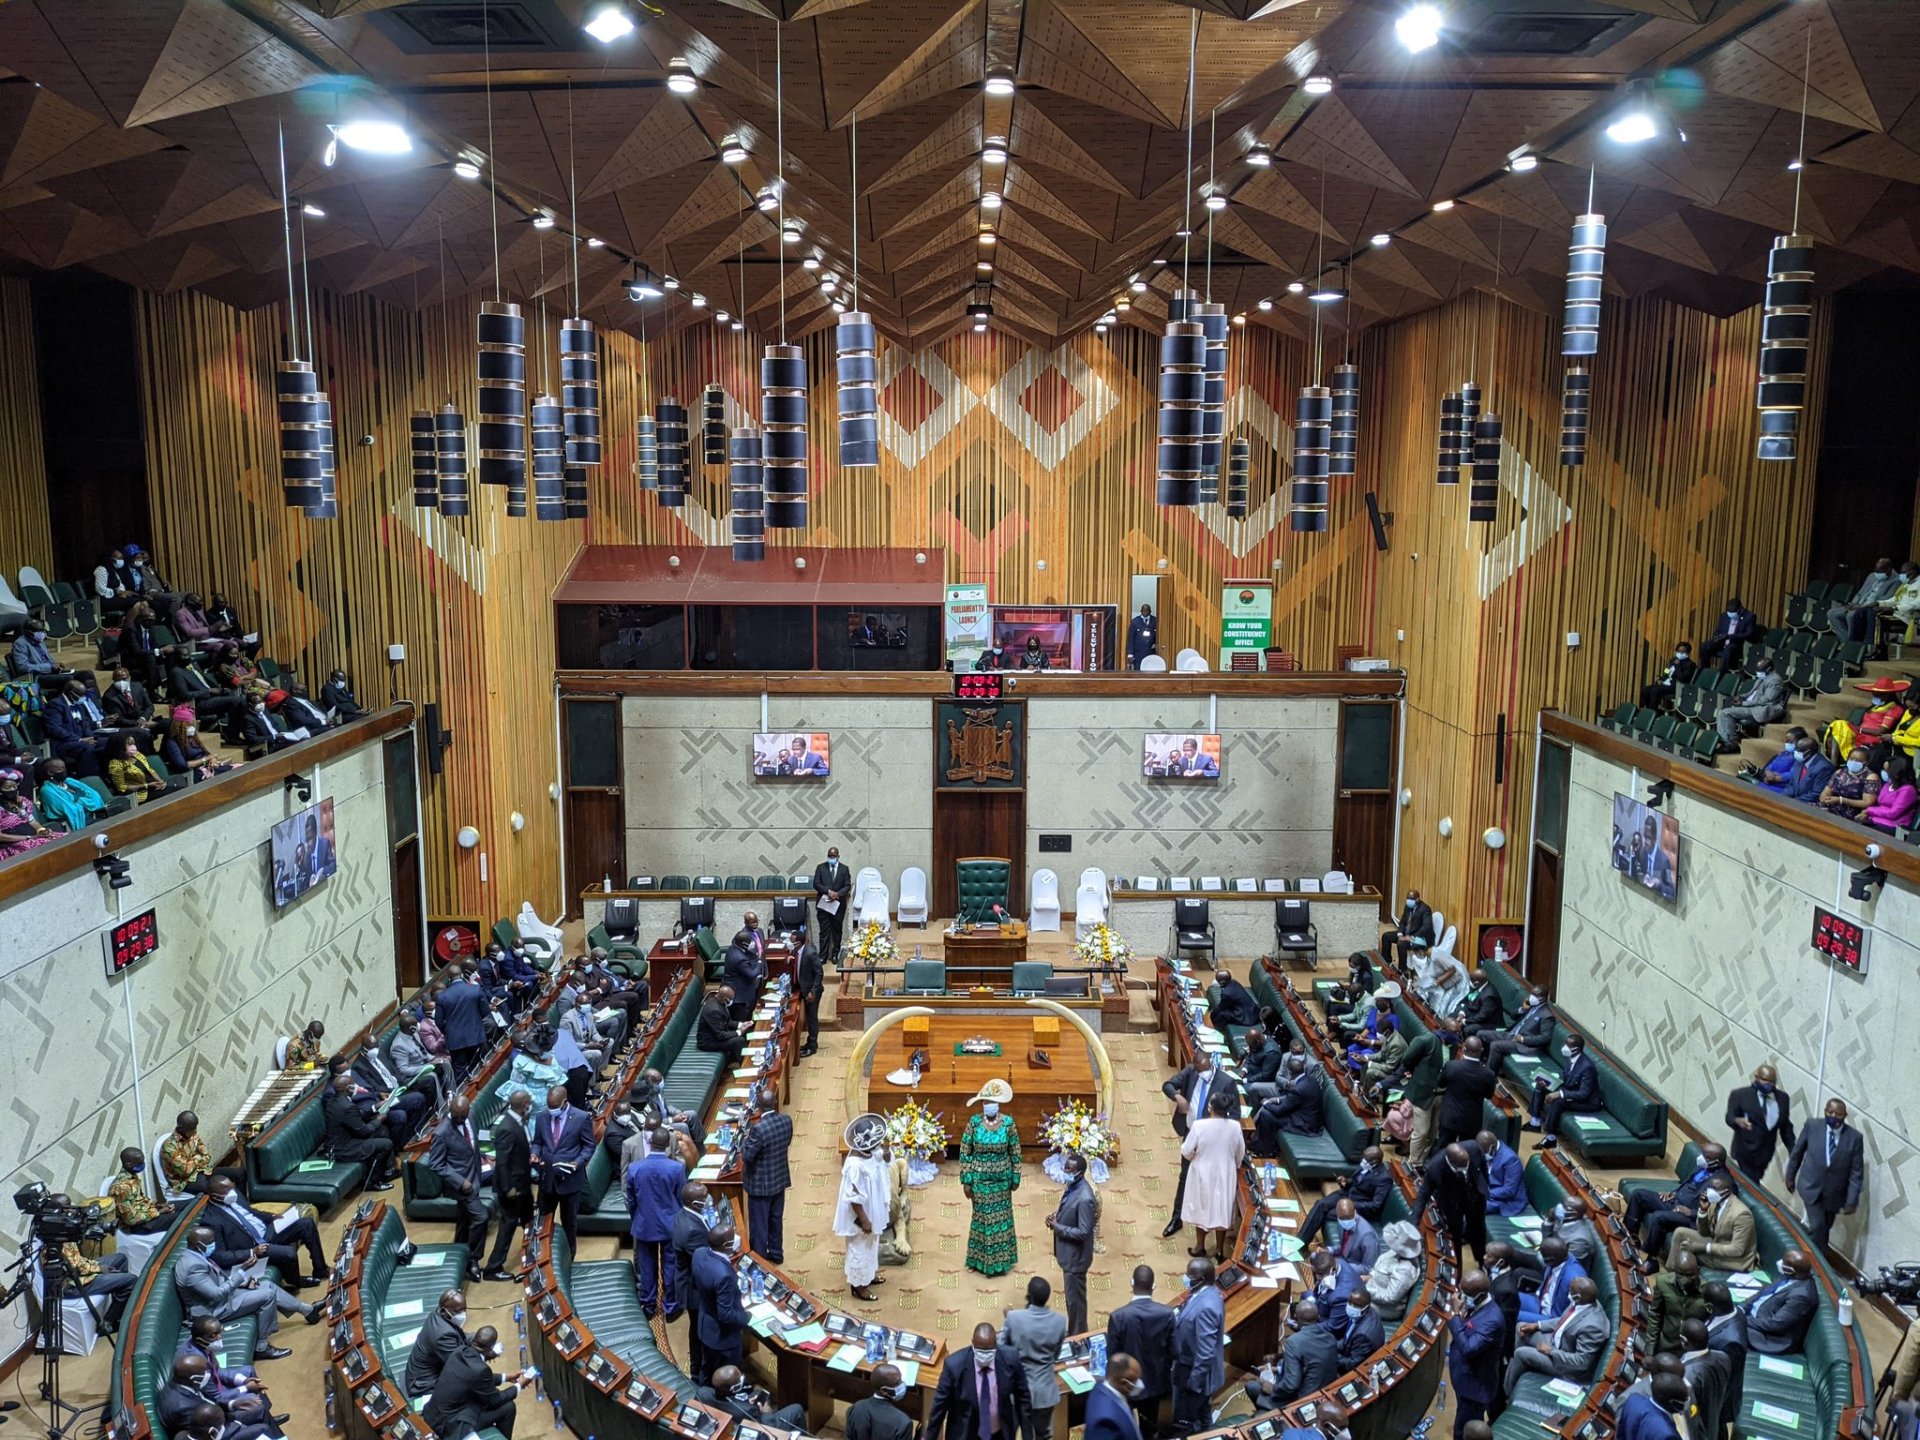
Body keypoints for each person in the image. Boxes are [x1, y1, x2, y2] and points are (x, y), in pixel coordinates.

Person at [174, 1224, 318, 1360]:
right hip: (212, 1311)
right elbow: (217, 1294)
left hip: (219, 1300)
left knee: (267, 1285)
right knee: (268, 1296)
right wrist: (242, 1270)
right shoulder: (192, 1267)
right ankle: (261, 1347)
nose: (214, 1244)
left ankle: (307, 1310)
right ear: (199, 1244)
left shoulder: (195, 1255)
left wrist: (243, 1282)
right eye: (211, 1242)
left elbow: (217, 1279)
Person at [1161, 1050, 1240, 1234]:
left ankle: (1212, 1222)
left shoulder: (1226, 1082)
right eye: (1198, 1070)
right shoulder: (1191, 1071)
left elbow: (1235, 1114)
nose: (1201, 1073)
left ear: (1210, 1064)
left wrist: (1217, 1129)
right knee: (1185, 1177)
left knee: (1212, 1183)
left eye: (1204, 1070)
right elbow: (1168, 1085)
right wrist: (1178, 1097)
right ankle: (1177, 1218)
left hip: (1212, 1142)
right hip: (1191, 1133)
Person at [202, 1175, 327, 1287]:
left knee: (306, 1224)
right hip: (255, 1246)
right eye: (227, 1191)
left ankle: (321, 1270)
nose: (232, 1193)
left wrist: (271, 1217)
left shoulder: (234, 1196)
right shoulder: (211, 1220)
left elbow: (250, 1212)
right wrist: (251, 1251)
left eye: (232, 1188)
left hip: (267, 1231)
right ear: (215, 1196)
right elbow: (220, 1256)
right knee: (289, 1253)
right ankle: (295, 1282)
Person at [925, 1321, 1033, 1440]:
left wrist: (1027, 1436)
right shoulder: (954, 1366)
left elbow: (1023, 1398)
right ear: (972, 1343)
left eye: (989, 1351)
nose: (985, 1355)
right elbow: (939, 1406)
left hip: (1000, 1433)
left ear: (996, 1344)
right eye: (981, 1351)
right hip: (965, 1434)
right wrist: (929, 1437)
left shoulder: (1011, 1359)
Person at [1502, 1276, 1606, 1395]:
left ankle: (1508, 1393)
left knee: (1520, 1353)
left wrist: (1551, 1351)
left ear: (1578, 1296)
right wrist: (1537, 1325)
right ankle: (1517, 1369)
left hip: (1565, 1366)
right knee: (1521, 1327)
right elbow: (1564, 1320)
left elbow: (1581, 1362)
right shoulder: (1582, 1301)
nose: (1568, 1292)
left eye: (1570, 1290)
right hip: (1557, 1341)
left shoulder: (1593, 1326)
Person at [424, 1325, 533, 1439]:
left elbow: (475, 1380)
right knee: (508, 1408)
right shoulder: (480, 1369)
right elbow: (495, 1400)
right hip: (449, 1426)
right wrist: (519, 1386)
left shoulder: (460, 1351)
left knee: (485, 1400)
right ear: (491, 1348)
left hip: (434, 1416)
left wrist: (506, 1377)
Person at [175, 1318, 281, 1432]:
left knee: (248, 1371)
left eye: (219, 1332)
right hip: (209, 1399)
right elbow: (216, 1397)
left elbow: (217, 1371)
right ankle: (262, 1415)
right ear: (200, 1340)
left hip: (214, 1384)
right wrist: (246, 1388)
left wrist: (243, 1381)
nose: (219, 1337)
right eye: (213, 1335)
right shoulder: (197, 1365)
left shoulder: (202, 1343)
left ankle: (267, 1416)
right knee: (250, 1396)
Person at [1105, 1266, 1174, 1440]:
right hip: (1155, 1384)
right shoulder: (1167, 1314)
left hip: (1125, 1385)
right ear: (1154, 1286)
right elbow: (1174, 1350)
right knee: (1149, 1429)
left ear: (1131, 1283)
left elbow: (1112, 1356)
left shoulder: (1118, 1316)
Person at [1784, 1097, 1864, 1248]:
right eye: (1830, 1112)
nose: (1833, 1116)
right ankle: (1808, 1256)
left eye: (1838, 1114)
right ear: (1825, 1111)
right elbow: (1797, 1152)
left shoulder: (1855, 1138)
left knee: (1825, 1228)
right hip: (1810, 1186)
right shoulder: (1812, 1126)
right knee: (1817, 1226)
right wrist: (1790, 1176)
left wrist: (1852, 1200)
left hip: (1834, 1194)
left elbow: (1856, 1172)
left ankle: (1818, 1254)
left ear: (1845, 1115)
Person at [622, 1126, 685, 1316]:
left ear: (650, 1143)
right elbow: (681, 1198)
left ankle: (649, 1306)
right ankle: (671, 1306)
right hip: (670, 1225)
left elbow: (631, 1199)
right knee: (671, 1266)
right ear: (667, 1145)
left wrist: (637, 1217)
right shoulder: (677, 1168)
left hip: (644, 1224)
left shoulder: (634, 1168)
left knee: (647, 1267)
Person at [961, 1079, 1022, 1276]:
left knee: (1001, 1220)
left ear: (999, 1103)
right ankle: (977, 1261)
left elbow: (1015, 1151)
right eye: (986, 1102)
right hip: (979, 1181)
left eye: (992, 1102)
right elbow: (965, 1151)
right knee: (981, 1219)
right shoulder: (974, 1123)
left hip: (1002, 1182)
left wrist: (1016, 1175)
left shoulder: (1008, 1124)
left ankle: (1001, 1262)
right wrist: (966, 1180)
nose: (989, 1105)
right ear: (982, 1104)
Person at [425, 1097, 490, 1283]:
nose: (460, 1119)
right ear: (450, 1111)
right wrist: (460, 1182)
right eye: (456, 1116)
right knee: (481, 1217)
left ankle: (458, 1251)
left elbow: (472, 1143)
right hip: (462, 1184)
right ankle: (472, 1259)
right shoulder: (441, 1132)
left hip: (476, 1172)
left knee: (464, 1218)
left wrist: (483, 1156)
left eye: (463, 1116)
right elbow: (436, 1164)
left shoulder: (471, 1115)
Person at [1625, 1143, 1728, 1258]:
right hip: (1674, 1201)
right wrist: (1674, 1193)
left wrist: (1690, 1212)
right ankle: (1630, 1238)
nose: (1701, 1158)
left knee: (1659, 1217)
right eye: (1702, 1154)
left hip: (1690, 1216)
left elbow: (1717, 1213)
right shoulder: (1703, 1167)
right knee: (1638, 1195)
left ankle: (1649, 1257)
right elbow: (1688, 1184)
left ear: (1716, 1162)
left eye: (1706, 1157)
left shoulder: (1723, 1183)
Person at [1181, 1089, 1244, 1262]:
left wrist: (1194, 1157)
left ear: (1211, 1108)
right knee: (1221, 1209)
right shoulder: (1235, 1127)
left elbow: (1186, 1150)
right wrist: (1234, 1166)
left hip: (1202, 1172)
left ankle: (1200, 1246)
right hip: (1225, 1173)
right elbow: (1240, 1152)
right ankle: (1219, 1250)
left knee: (1201, 1208)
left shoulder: (1199, 1126)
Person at [1001, 1278, 1068, 1440]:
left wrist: (1006, 1321)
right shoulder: (1060, 1321)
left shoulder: (1013, 1318)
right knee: (1043, 1435)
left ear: (1028, 1296)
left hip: (1017, 1392)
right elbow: (1056, 1355)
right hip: (1045, 1394)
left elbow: (1001, 1349)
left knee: (1008, 1434)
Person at [835, 1114, 892, 1301]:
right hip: (860, 1214)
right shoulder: (854, 1165)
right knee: (859, 1247)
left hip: (873, 1208)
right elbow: (853, 1198)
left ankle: (869, 1275)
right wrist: (865, 1220)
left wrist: (886, 1151)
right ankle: (858, 1286)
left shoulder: (872, 1152)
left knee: (872, 1244)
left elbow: (885, 1160)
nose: (877, 1144)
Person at [48, 1214, 138, 1332]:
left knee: (121, 1259)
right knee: (131, 1280)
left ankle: (117, 1308)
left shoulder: (63, 1229)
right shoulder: (53, 1240)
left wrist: (96, 1266)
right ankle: (107, 1324)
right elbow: (73, 1267)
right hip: (72, 1284)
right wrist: (99, 1268)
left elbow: (78, 1260)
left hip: (82, 1270)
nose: (71, 1212)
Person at [1245, 1298, 1340, 1410]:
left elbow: (1290, 1386)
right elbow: (1311, 1364)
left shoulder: (1293, 1342)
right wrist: (1278, 1369)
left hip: (1303, 1401)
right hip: (1324, 1391)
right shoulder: (1331, 1338)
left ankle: (1266, 1414)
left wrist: (1272, 1388)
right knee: (1280, 1363)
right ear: (1318, 1317)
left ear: (1295, 1317)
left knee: (1251, 1386)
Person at [530, 1083, 593, 1250]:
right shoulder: (542, 1117)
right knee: (542, 1221)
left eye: (554, 1106)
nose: (551, 1110)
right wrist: (534, 1153)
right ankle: (541, 1254)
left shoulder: (581, 1117)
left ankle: (569, 1255)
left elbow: (589, 1146)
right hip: (547, 1179)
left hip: (570, 1179)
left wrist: (578, 1161)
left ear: (564, 1102)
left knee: (569, 1223)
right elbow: (537, 1142)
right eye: (549, 1106)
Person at [480, 1087, 533, 1282]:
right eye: (529, 1101)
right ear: (524, 1105)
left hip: (522, 1183)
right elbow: (502, 1162)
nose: (531, 1104)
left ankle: (532, 1253)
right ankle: (493, 1268)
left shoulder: (518, 1120)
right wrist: (508, 1188)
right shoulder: (507, 1128)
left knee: (529, 1220)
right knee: (508, 1224)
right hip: (512, 1188)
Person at [156, 1353, 273, 1440]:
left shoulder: (180, 1381)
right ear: (194, 1378)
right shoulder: (182, 1407)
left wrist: (232, 1404)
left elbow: (208, 1404)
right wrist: (238, 1425)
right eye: (204, 1372)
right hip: (210, 1433)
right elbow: (205, 1431)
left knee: (261, 1410)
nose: (208, 1374)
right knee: (263, 1429)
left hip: (212, 1422)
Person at [1169, 1257, 1225, 1435]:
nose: (1186, 1278)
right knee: (1203, 1413)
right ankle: (1207, 1430)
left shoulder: (1207, 1307)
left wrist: (1193, 1385)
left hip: (1194, 1377)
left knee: (1184, 1421)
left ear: (1201, 1279)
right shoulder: (1208, 1292)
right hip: (1193, 1370)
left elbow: (1205, 1353)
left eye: (1190, 1275)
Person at [692, 1218, 751, 1381]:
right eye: (733, 1238)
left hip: (704, 1326)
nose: (737, 1239)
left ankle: (703, 1394)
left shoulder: (699, 1253)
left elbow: (697, 1284)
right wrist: (746, 1318)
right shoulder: (723, 1275)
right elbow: (725, 1315)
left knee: (707, 1370)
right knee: (728, 1380)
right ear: (726, 1245)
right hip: (722, 1338)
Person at [1447, 1270, 1504, 1439]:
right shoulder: (1478, 1305)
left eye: (1465, 1293)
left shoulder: (1492, 1319)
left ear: (1480, 1295)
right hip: (1465, 1379)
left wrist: (1455, 1316)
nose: (1460, 1297)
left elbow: (1468, 1348)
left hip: (1475, 1388)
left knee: (1465, 1430)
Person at [739, 1094, 793, 1262]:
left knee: (759, 1226)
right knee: (776, 1219)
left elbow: (747, 1156)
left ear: (758, 1107)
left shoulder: (759, 1129)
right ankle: (776, 1254)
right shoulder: (786, 1120)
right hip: (779, 1179)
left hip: (760, 1186)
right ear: (775, 1102)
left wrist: (745, 1140)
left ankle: (760, 1261)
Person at [1415, 1142, 1489, 1264]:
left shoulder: (1474, 1147)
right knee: (1455, 1236)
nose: (1465, 1170)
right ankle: (1458, 1267)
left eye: (1466, 1164)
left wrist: (1485, 1186)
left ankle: (1482, 1263)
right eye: (1461, 1167)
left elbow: (1483, 1168)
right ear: (1449, 1161)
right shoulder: (1435, 1168)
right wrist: (1414, 1224)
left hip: (1475, 1196)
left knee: (1478, 1231)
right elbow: (1422, 1196)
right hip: (1452, 1202)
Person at [1047, 1151, 1097, 1332]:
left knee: (1075, 1302)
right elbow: (1070, 1210)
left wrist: (1058, 1227)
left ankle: (1078, 1337)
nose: (1066, 1171)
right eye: (1066, 1168)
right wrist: (1057, 1217)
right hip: (1070, 1255)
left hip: (1076, 1259)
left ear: (1080, 1173)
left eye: (1070, 1169)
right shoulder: (1073, 1186)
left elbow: (1084, 1232)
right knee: (1072, 1300)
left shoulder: (1085, 1198)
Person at [1298, 1146, 1392, 1240]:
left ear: (1375, 1162)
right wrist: (1346, 1181)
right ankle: (1301, 1240)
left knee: (1326, 1214)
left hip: (1357, 1205)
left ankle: (1304, 1243)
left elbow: (1375, 1205)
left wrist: (1351, 1205)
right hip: (1346, 1193)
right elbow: (1355, 1181)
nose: (1363, 1161)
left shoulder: (1384, 1179)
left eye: (1366, 1160)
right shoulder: (1366, 1164)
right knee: (1320, 1204)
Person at [1528, 1031, 1602, 1150]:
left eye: (1568, 1045)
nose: (1565, 1047)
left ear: (1576, 1049)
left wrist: (1559, 1094)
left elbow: (1584, 1093)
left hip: (1587, 1102)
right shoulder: (1570, 1058)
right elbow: (1566, 1079)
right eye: (1565, 1044)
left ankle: (1551, 1138)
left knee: (1559, 1101)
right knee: (1541, 1085)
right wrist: (1550, 1083)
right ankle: (1535, 1122)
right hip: (1571, 1090)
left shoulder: (1587, 1067)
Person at [322, 1072, 396, 1189]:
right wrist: (379, 1119)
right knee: (386, 1144)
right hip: (343, 1148)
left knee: (382, 1130)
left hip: (341, 1140)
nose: (356, 1087)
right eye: (353, 1085)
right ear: (349, 1089)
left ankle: (387, 1171)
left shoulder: (335, 1100)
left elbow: (356, 1115)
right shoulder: (347, 1106)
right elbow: (364, 1132)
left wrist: (375, 1107)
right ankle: (372, 1183)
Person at [671, 1181, 715, 1378]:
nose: (709, 1198)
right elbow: (704, 1263)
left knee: (697, 1328)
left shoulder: (684, 1214)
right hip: (694, 1289)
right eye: (705, 1196)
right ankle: (698, 1374)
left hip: (688, 1280)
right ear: (695, 1203)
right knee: (700, 1332)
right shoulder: (692, 1231)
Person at [1726, 1063, 1796, 1182]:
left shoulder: (1783, 1099)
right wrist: (1738, 1121)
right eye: (1764, 1080)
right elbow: (1730, 1117)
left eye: (1772, 1081)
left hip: (1764, 1154)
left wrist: (1793, 1150)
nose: (1768, 1084)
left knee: (1753, 1181)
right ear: (1756, 1077)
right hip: (1745, 1152)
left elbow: (1785, 1127)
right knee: (1748, 1183)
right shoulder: (1740, 1095)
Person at [1743, 1248, 1818, 1354]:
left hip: (1768, 1337)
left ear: (1791, 1270)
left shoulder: (1802, 1296)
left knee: (1723, 1329)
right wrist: (1741, 1308)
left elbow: (1775, 1324)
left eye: (1783, 1262)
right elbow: (1762, 1293)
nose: (1780, 1263)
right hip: (1754, 1319)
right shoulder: (1789, 1277)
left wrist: (1741, 1318)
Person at [701, 1363, 811, 1433]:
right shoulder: (748, 1411)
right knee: (797, 1408)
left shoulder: (703, 1392)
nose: (742, 1377)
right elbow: (767, 1427)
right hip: (756, 1426)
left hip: (731, 1413)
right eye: (740, 1379)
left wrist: (746, 1402)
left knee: (758, 1392)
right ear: (734, 1388)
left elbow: (730, 1402)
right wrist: (767, 1412)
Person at [162, 1112, 249, 1196]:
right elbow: (186, 1171)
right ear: (181, 1128)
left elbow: (207, 1156)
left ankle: (242, 1202)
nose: (195, 1131)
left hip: (203, 1171)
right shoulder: (170, 1146)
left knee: (240, 1173)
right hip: (185, 1182)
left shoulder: (193, 1135)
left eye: (195, 1127)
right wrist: (198, 1158)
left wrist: (192, 1161)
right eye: (192, 1129)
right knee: (218, 1188)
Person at [1435, 1037, 1500, 1147]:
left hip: (1450, 1117)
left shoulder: (1452, 1066)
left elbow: (1440, 1084)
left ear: (1464, 1048)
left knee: (1442, 1149)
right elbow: (1489, 1095)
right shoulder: (1488, 1074)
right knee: (1466, 1151)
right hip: (1471, 1122)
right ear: (1481, 1050)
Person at [1714, 656, 1789, 749]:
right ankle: (1726, 741)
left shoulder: (1775, 680)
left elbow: (1765, 700)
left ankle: (1731, 744)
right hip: (1752, 705)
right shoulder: (1763, 677)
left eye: (1760, 670)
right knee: (1722, 710)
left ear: (1769, 669)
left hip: (1762, 709)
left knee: (1725, 713)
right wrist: (1741, 697)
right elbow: (1751, 693)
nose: (1758, 673)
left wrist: (1743, 703)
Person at [1678, 1317, 1733, 1440]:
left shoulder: (1687, 1377)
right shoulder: (1723, 1357)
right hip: (1718, 1418)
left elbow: (1687, 1416)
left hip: (1701, 1430)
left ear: (1684, 1341)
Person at [1646, 1249, 1710, 1353]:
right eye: (1680, 1274)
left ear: (1697, 1271)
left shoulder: (1707, 1291)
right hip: (1666, 1345)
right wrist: (1649, 1348)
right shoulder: (1663, 1283)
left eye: (1689, 1275)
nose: (1685, 1279)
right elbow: (1655, 1314)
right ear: (1675, 1271)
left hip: (1692, 1351)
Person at [108, 1146, 178, 1234]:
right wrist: (158, 1212)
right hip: (138, 1226)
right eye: (140, 1163)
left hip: (146, 1214)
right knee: (181, 1218)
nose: (143, 1164)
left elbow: (139, 1200)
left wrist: (157, 1205)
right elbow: (131, 1220)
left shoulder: (131, 1176)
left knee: (184, 1206)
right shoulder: (123, 1187)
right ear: (129, 1165)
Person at [1515, 1237, 1585, 1325]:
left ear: (1550, 1260)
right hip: (1540, 1301)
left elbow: (1573, 1316)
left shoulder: (1574, 1279)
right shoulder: (1559, 1257)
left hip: (1551, 1317)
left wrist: (1542, 1326)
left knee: (1510, 1314)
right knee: (1506, 1296)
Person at [435, 964, 489, 1077]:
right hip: (475, 1035)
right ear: (462, 975)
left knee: (460, 1071)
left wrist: (449, 1031)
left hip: (455, 1040)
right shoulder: (475, 989)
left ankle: (462, 1088)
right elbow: (485, 1011)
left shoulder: (442, 996)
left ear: (449, 978)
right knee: (477, 1068)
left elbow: (439, 1021)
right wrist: (476, 1021)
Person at [1365, 1221, 1423, 1321]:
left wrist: (1366, 1290)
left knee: (1348, 1298)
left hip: (1385, 1308)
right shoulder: (1398, 1252)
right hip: (1373, 1287)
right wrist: (1370, 1276)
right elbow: (1381, 1266)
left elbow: (1389, 1298)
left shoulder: (1405, 1271)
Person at [1830, 558, 1900, 640]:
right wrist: (1853, 603)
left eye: (1880, 571)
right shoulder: (1872, 576)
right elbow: (1860, 593)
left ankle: (1853, 643)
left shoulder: (1896, 580)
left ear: (1888, 570)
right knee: (1832, 613)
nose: (1877, 573)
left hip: (1870, 609)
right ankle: (1848, 642)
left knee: (1851, 616)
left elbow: (1884, 600)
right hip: (1858, 605)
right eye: (1876, 570)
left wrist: (1861, 607)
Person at [847, 1362, 918, 1440]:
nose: (902, 1384)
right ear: (884, 1391)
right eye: (898, 1383)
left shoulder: (856, 1408)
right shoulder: (903, 1423)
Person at [36, 757, 110, 832]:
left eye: (64, 767)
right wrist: (85, 802)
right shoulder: (47, 790)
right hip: (71, 825)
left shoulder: (69, 781)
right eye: (60, 769)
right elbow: (69, 809)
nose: (64, 771)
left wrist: (80, 802)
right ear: (50, 772)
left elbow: (94, 795)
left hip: (92, 818)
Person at [1815, 746, 1882, 819]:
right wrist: (1824, 799)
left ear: (1866, 763)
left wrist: (1841, 800)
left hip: (1851, 812)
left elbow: (1867, 802)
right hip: (1831, 806)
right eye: (1851, 759)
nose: (1854, 762)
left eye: (1858, 760)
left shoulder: (1871, 777)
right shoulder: (1839, 772)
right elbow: (1826, 792)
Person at [1617, 1374, 1691, 1440]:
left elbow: (1620, 1435)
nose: (1686, 1402)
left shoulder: (1633, 1400)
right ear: (1672, 1402)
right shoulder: (1667, 1435)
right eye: (1684, 1400)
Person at [107, 731, 174, 802]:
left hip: (154, 787)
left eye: (133, 743)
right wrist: (147, 785)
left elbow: (150, 770)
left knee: (176, 790)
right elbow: (122, 788)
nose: (133, 747)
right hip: (140, 794)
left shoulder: (137, 754)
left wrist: (160, 782)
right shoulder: (115, 764)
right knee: (171, 795)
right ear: (120, 747)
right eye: (129, 744)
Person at [813, 845, 851, 965]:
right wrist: (828, 891)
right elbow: (816, 883)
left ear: (838, 856)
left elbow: (847, 885)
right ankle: (823, 956)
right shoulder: (821, 868)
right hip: (824, 904)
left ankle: (835, 954)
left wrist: (837, 894)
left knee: (837, 931)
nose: (831, 858)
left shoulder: (844, 869)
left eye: (834, 856)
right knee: (824, 931)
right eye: (830, 856)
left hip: (838, 905)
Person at [1864, 752, 1920, 831]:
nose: (1884, 772)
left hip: (1894, 826)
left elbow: (1893, 813)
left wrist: (1869, 810)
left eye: (1887, 770)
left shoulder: (1908, 790)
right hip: (1876, 820)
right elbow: (1881, 805)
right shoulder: (1888, 784)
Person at [1698, 596, 1757, 672]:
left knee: (1728, 650)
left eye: (1733, 613)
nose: (1730, 614)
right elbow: (1718, 630)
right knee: (1704, 646)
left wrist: (1730, 637)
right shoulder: (1724, 616)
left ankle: (1722, 673)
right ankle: (1705, 670)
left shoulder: (1749, 617)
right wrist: (1717, 637)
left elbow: (1749, 634)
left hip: (1736, 644)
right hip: (1722, 641)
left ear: (1740, 610)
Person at [697, 984, 748, 1069]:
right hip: (708, 1042)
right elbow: (720, 1035)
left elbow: (726, 1021)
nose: (732, 1001)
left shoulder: (718, 1001)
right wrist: (739, 1032)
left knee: (742, 1033)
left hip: (717, 1034)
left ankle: (734, 1059)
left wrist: (741, 1025)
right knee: (739, 1041)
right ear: (725, 999)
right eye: (731, 999)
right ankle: (745, 1066)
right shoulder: (713, 1010)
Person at [1336, 1287, 1384, 1370]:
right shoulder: (1365, 1312)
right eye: (1349, 1302)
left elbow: (1352, 1364)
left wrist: (1332, 1357)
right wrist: (1330, 1345)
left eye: (1356, 1305)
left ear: (1366, 1307)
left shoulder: (1363, 1335)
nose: (1351, 1307)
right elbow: (1347, 1339)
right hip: (1351, 1348)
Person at [1781, 732, 1837, 803]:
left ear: (1808, 752)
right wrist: (1782, 798)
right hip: (1793, 801)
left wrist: (1792, 802)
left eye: (1798, 750)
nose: (1796, 752)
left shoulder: (1824, 768)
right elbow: (1791, 785)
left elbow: (1815, 795)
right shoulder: (1800, 760)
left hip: (1808, 805)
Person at [722, 929, 766, 1021]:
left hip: (734, 985)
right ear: (744, 944)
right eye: (751, 942)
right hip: (739, 994)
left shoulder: (733, 947)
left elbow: (749, 954)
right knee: (742, 1019)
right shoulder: (739, 958)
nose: (753, 943)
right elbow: (752, 974)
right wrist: (759, 961)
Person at [1642, 641, 1698, 709]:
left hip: (1676, 686)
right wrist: (1661, 679)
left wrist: (1678, 666)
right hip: (1665, 684)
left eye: (1683, 651)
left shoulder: (1690, 664)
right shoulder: (1673, 660)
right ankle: (1649, 709)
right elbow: (1666, 671)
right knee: (1645, 690)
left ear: (1688, 653)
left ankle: (1652, 711)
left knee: (1655, 690)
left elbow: (1682, 678)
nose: (1680, 653)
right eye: (1679, 651)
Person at [1127, 604, 1159, 669]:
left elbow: (1158, 635)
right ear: (1141, 611)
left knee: (1150, 669)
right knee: (1138, 670)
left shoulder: (1155, 621)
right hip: (1138, 653)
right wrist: (1130, 654)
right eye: (1144, 610)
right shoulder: (1135, 622)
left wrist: (1156, 643)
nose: (1145, 612)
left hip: (1151, 652)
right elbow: (1131, 638)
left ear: (1150, 611)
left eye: (1147, 610)